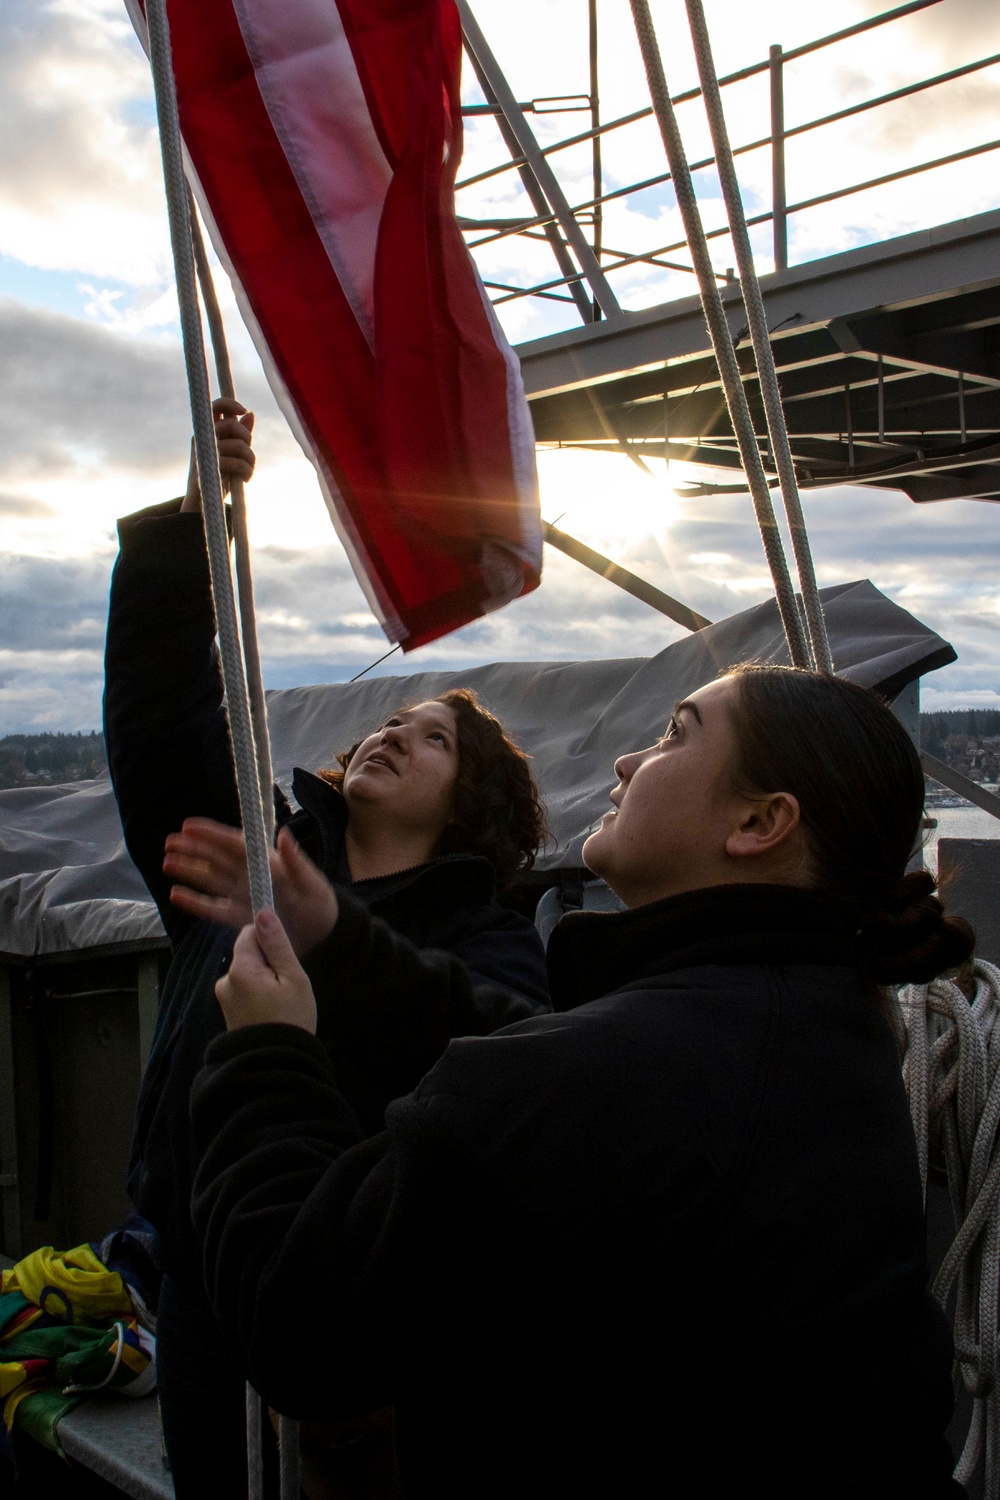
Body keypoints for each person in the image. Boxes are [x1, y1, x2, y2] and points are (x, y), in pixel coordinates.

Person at [191, 665, 971, 1500]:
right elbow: (538, 1055)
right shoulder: (835, 1027)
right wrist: (340, 941)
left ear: (760, 821)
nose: (629, 762)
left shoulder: (603, 1076)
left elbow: (297, 1325)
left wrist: (267, 1052)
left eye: (676, 734)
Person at [102, 399, 550, 1498]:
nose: (394, 731)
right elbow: (160, 718)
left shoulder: (486, 945)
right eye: (390, 723)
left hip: (363, 1344)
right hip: (201, 1295)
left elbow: (490, 1079)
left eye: (434, 738)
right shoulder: (255, 866)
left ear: (471, 807)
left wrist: (337, 955)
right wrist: (194, 524)